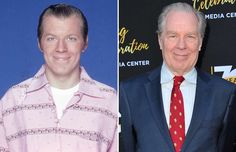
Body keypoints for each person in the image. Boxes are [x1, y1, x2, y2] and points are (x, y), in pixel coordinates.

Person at [119, 2, 236, 152]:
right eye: (173, 36)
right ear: (160, 40)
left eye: (190, 36)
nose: (181, 45)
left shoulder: (225, 93)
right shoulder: (130, 92)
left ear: (200, 42)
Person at [0, 3, 117, 152]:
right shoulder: (12, 101)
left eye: (71, 38)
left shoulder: (110, 101)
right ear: (39, 43)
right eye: (51, 38)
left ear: (85, 43)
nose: (61, 48)